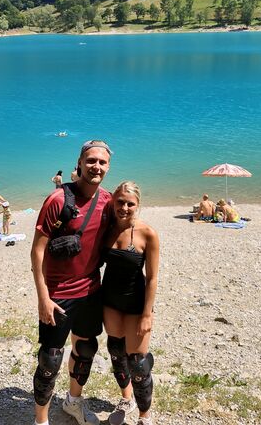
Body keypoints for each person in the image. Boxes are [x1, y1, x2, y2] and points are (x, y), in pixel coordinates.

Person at [31, 140, 113, 425]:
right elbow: (37, 252)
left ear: (108, 167)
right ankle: (41, 420)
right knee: (50, 360)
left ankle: (73, 402)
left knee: (86, 349)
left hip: (91, 289)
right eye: (91, 161)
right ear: (79, 163)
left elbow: (126, 230)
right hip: (58, 294)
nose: (96, 166)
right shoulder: (57, 201)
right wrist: (43, 297)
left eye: (102, 162)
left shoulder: (108, 201)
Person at [103, 182, 159, 425]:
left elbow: (153, 278)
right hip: (110, 301)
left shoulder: (148, 233)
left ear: (138, 205)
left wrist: (147, 314)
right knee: (116, 352)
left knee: (137, 363)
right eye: (120, 202)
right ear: (113, 202)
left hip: (136, 303)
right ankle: (127, 398)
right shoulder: (106, 228)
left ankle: (144, 417)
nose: (124, 207)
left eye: (130, 203)